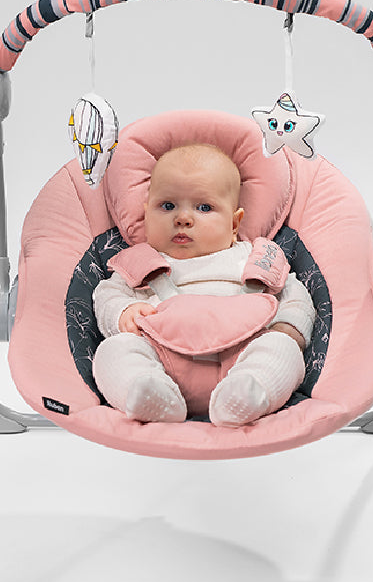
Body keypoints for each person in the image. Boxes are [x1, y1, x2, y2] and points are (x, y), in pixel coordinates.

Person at [92, 144, 315, 427]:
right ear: (146, 215)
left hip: (243, 355)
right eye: (167, 206)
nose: (183, 219)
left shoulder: (253, 257)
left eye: (204, 207)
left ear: (234, 224)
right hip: (161, 357)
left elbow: (293, 294)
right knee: (114, 350)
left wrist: (289, 327)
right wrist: (123, 313)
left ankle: (248, 393)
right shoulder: (139, 263)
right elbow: (107, 295)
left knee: (282, 348)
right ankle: (146, 391)